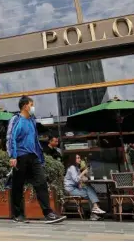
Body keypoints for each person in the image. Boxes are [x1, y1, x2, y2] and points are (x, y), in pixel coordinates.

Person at [6, 96, 66, 224]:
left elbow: (34, 140)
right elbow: (11, 138)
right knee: (18, 185)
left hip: (34, 156)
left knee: (41, 182)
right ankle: (17, 214)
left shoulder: (32, 121)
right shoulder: (15, 120)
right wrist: (12, 156)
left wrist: (40, 155)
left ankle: (48, 213)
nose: (33, 107)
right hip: (20, 156)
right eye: (31, 104)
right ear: (25, 106)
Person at [64, 154, 106, 220]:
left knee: (90, 190)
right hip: (70, 190)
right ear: (73, 159)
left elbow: (79, 179)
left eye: (79, 158)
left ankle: (94, 212)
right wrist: (83, 172)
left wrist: (83, 179)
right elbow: (76, 179)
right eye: (77, 158)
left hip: (75, 188)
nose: (79, 159)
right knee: (90, 192)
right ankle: (94, 211)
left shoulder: (76, 168)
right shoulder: (72, 167)